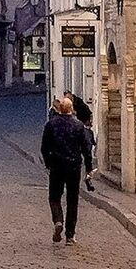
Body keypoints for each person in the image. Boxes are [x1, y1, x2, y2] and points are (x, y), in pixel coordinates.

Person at [42, 95, 96, 245]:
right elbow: (86, 149)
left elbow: (44, 147)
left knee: (54, 197)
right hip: (73, 167)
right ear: (71, 110)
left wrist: (48, 163)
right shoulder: (78, 126)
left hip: (57, 166)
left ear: (59, 109)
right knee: (72, 200)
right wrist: (89, 168)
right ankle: (70, 236)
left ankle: (58, 220)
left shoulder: (51, 125)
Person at [68, 91, 98, 192]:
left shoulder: (79, 105)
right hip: (79, 136)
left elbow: (86, 115)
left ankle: (88, 178)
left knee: (86, 158)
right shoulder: (74, 106)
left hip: (82, 135)